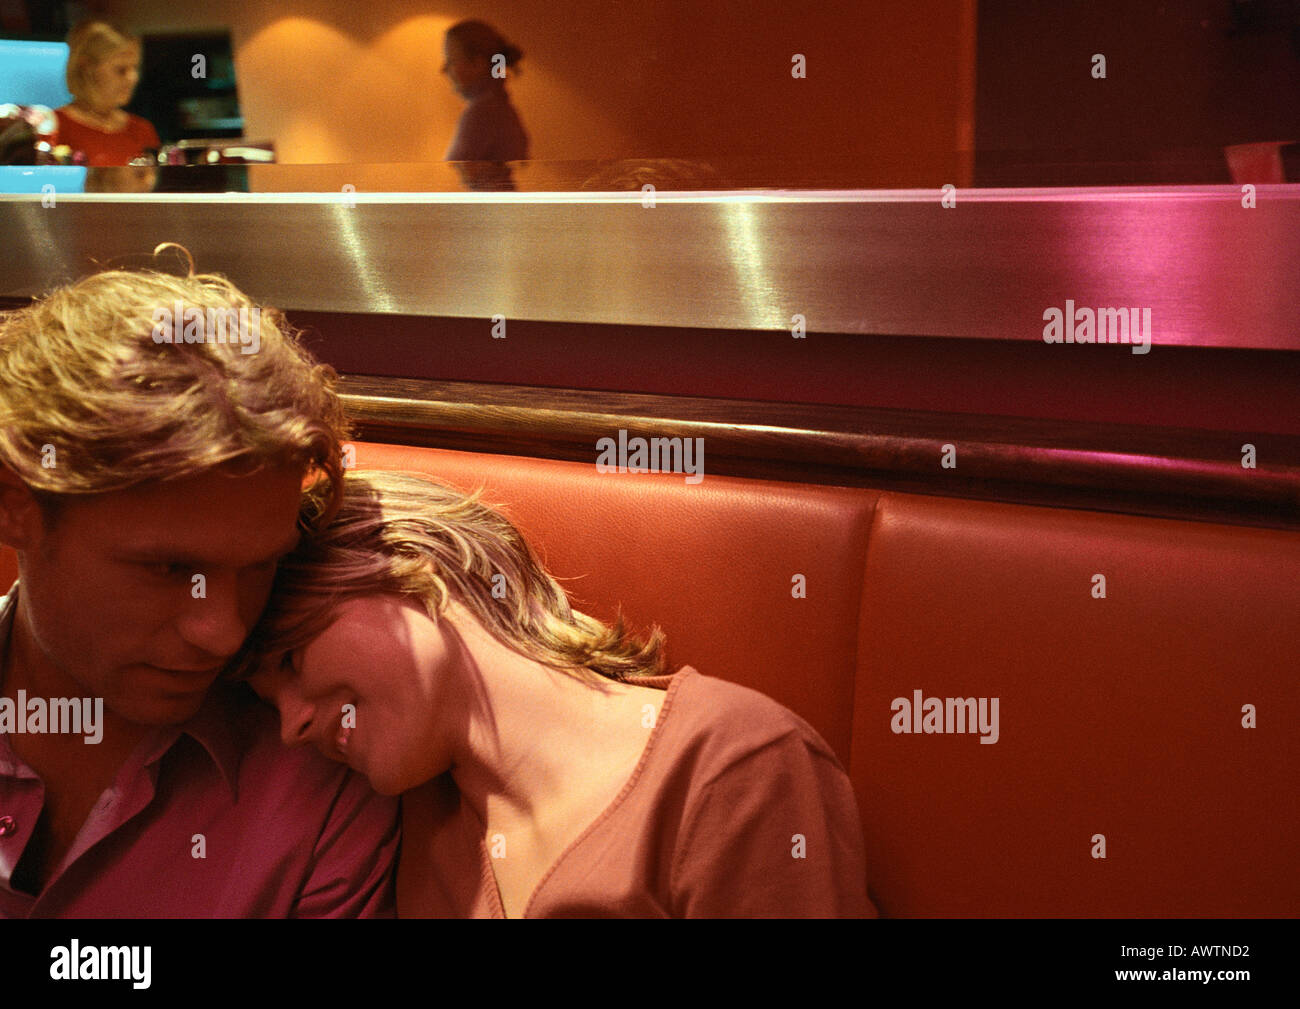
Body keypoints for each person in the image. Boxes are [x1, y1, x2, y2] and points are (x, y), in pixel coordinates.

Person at [236, 470, 876, 918]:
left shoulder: (728, 768)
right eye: (271, 705)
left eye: (293, 659)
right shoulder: (416, 822)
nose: (291, 726)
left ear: (411, 564)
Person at [0, 250, 399, 916]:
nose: (225, 631)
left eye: (260, 566)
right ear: (15, 505)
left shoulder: (327, 783)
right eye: (168, 569)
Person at [54, 21, 160, 167]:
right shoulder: (54, 127)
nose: (133, 78)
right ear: (86, 68)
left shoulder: (142, 130)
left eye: (135, 68)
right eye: (121, 69)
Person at [442, 20, 530, 191]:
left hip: (489, 210)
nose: (445, 70)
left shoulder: (483, 113)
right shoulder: (501, 108)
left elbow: (455, 172)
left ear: (478, 64)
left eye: (451, 61)